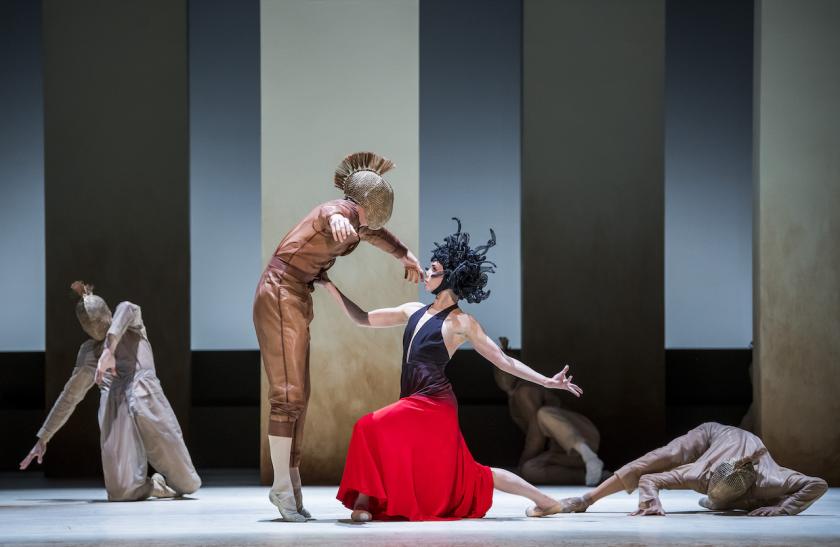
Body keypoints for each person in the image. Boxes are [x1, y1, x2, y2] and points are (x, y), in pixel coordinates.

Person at [319, 218, 583, 521]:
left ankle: (364, 503)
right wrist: (329, 285)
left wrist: (547, 381)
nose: (426, 273)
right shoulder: (412, 310)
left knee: (368, 426)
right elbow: (362, 318)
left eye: (433, 269)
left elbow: (503, 360)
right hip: (413, 399)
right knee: (470, 473)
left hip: (433, 404)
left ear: (451, 277)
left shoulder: (462, 323)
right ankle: (546, 502)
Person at [253, 151, 425, 521]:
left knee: (299, 395)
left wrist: (404, 254)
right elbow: (330, 215)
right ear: (369, 202)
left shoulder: (357, 221)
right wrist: (338, 221)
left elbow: (374, 234)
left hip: (295, 294)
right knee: (288, 394)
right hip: (280, 291)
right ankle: (282, 487)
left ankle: (290, 485)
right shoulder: (338, 212)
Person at [20, 282, 200, 502]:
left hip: (148, 400)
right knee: (120, 493)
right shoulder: (89, 353)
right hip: (116, 413)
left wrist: (109, 349)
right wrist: (44, 437)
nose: (94, 327)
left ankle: (171, 480)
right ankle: (154, 486)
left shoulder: (130, 327)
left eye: (98, 320)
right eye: (88, 324)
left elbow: (128, 307)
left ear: (108, 313)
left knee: (188, 483)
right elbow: (70, 396)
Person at [552, 422, 828, 517]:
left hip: (743, 490)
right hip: (712, 435)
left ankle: (717, 504)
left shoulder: (769, 481)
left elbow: (818, 484)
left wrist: (784, 508)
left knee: (735, 504)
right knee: (658, 457)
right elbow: (649, 476)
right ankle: (586, 500)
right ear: (708, 483)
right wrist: (650, 500)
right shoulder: (698, 475)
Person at [493, 338, 606, 486]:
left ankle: (589, 456)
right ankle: (596, 476)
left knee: (543, 414)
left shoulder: (525, 391)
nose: (501, 376)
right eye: (497, 371)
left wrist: (524, 460)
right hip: (561, 451)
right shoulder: (515, 395)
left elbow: (536, 434)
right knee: (529, 470)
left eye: (503, 369)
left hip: (582, 438)